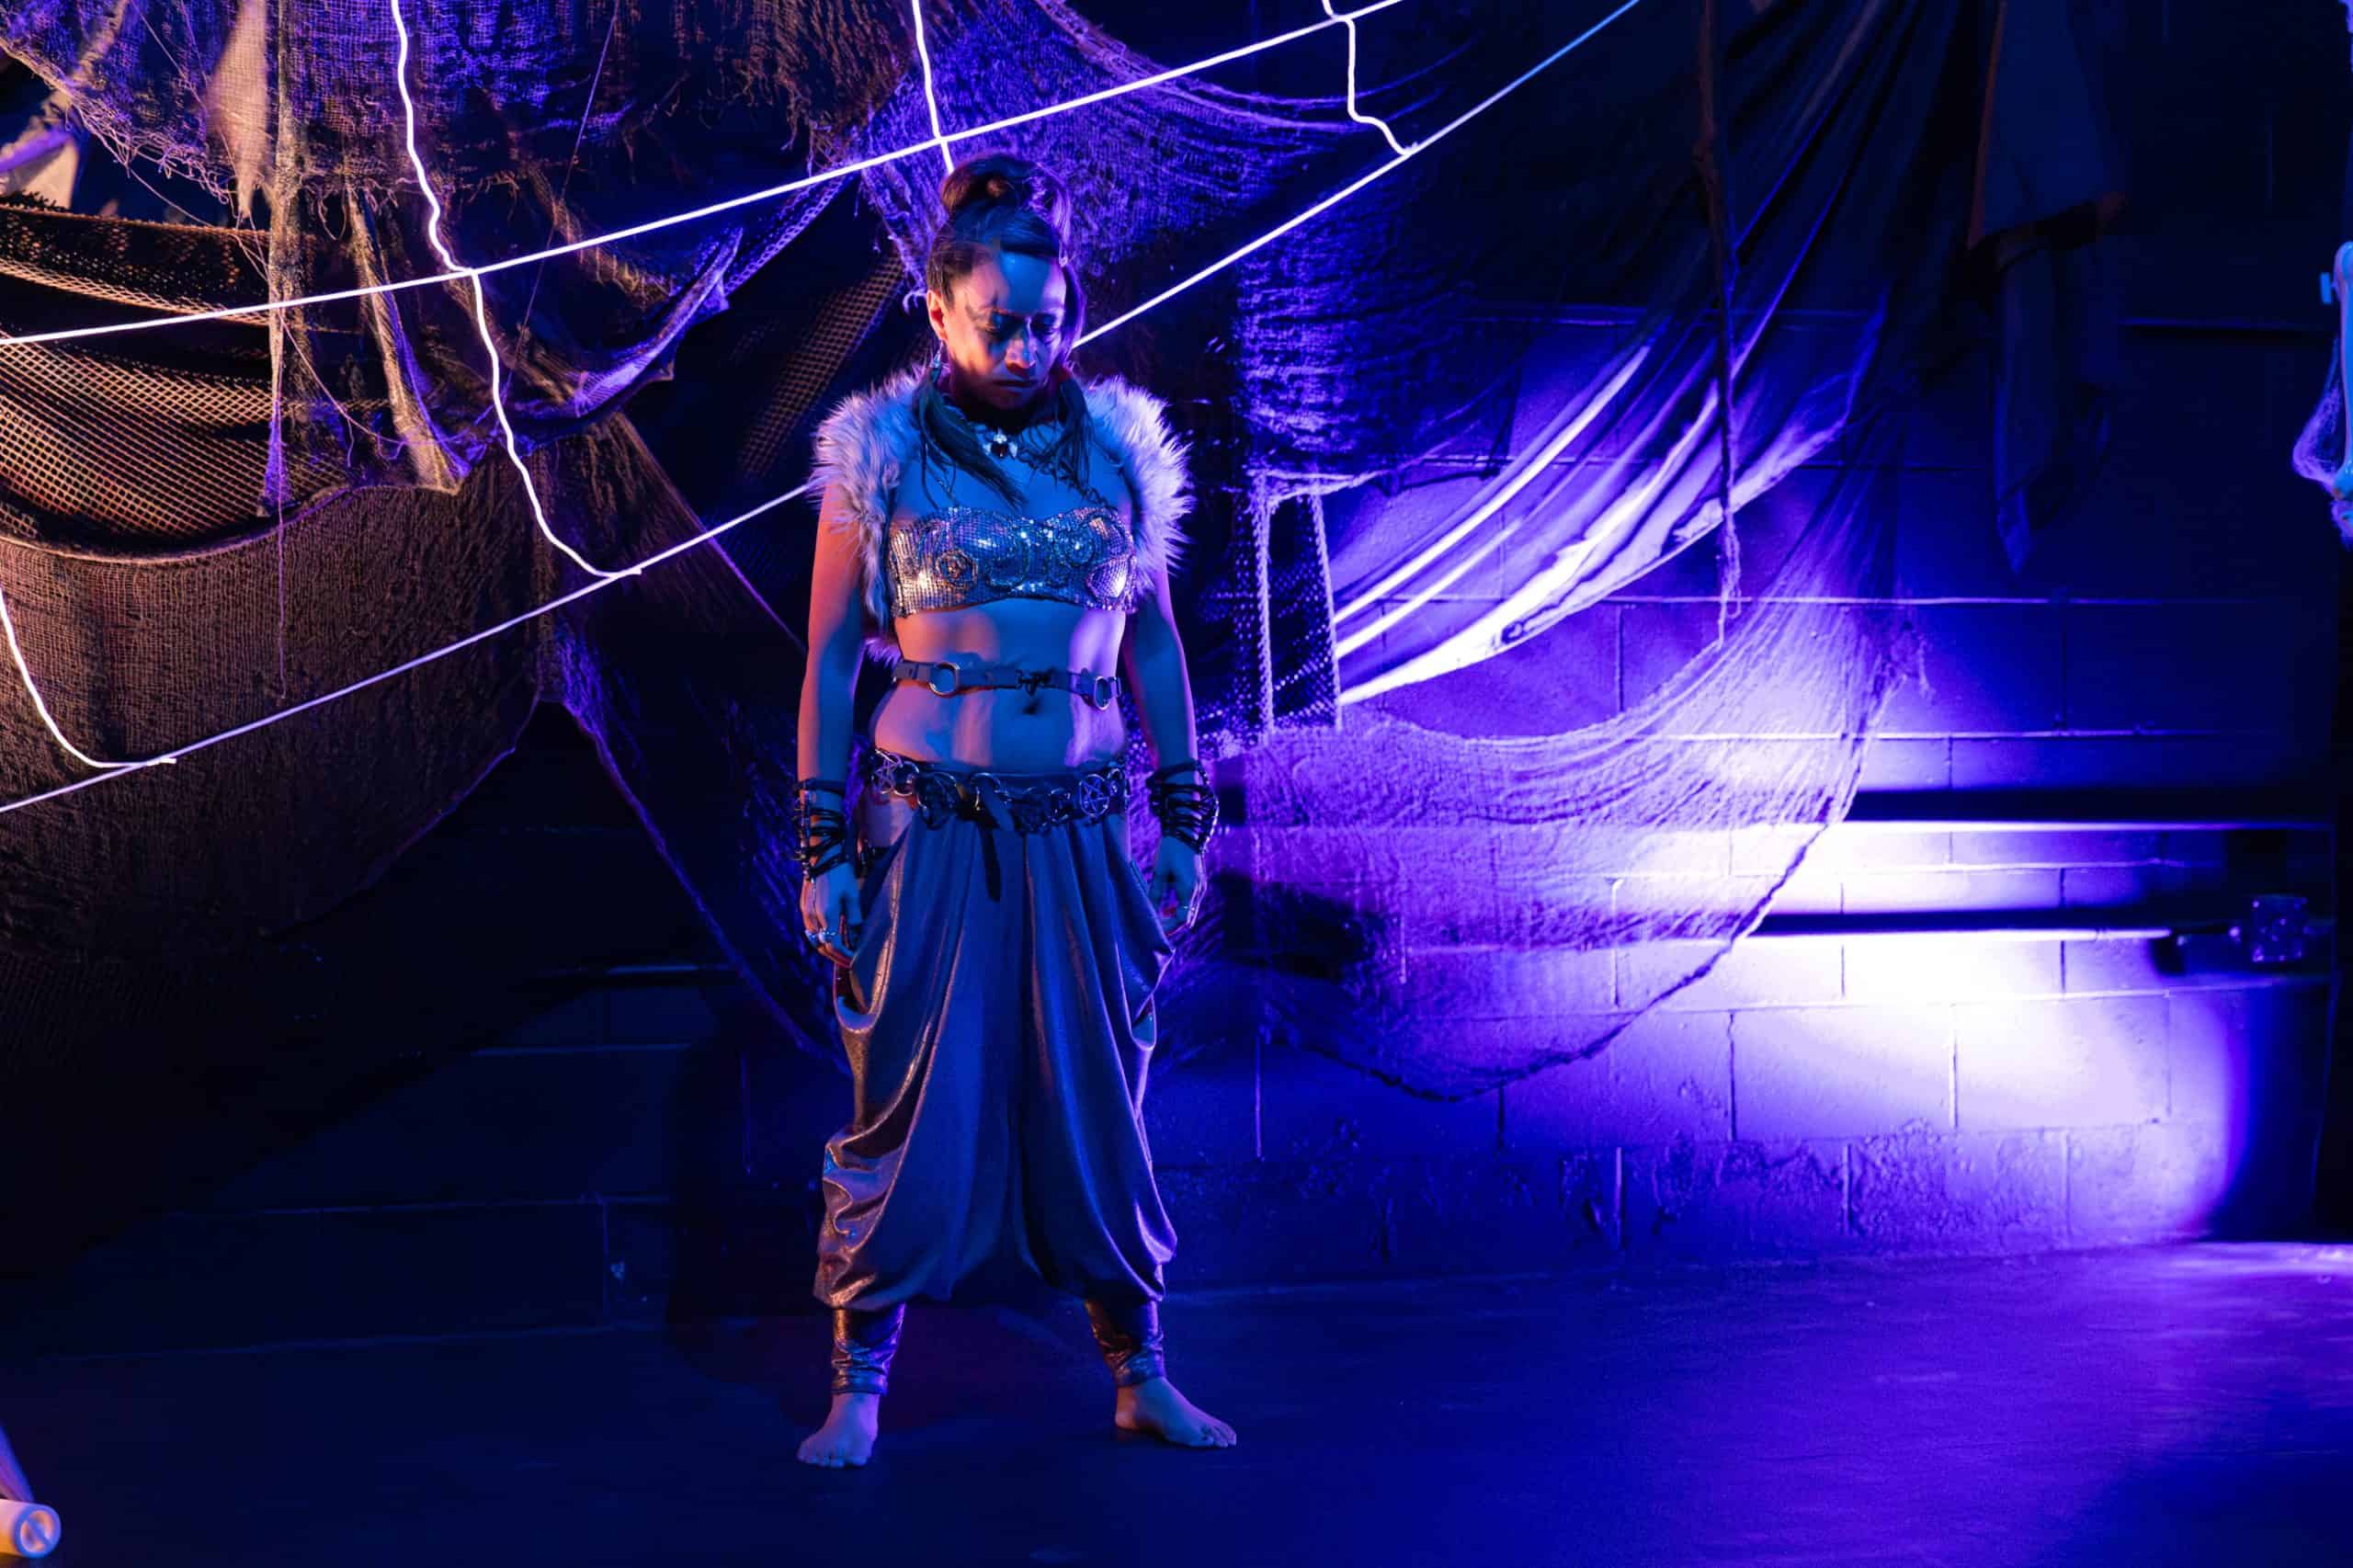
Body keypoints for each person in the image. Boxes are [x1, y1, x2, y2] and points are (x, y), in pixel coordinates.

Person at [790, 152, 1237, 1467]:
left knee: (1101, 1096)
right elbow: (829, 659)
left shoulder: (1121, 454)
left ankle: (1140, 1373)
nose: (1027, 347)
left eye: (1047, 321)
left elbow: (1153, 642)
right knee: (902, 1097)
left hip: (1086, 832)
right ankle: (859, 1382)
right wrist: (821, 848)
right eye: (999, 323)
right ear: (938, 309)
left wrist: (1184, 817)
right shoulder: (875, 459)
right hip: (925, 828)